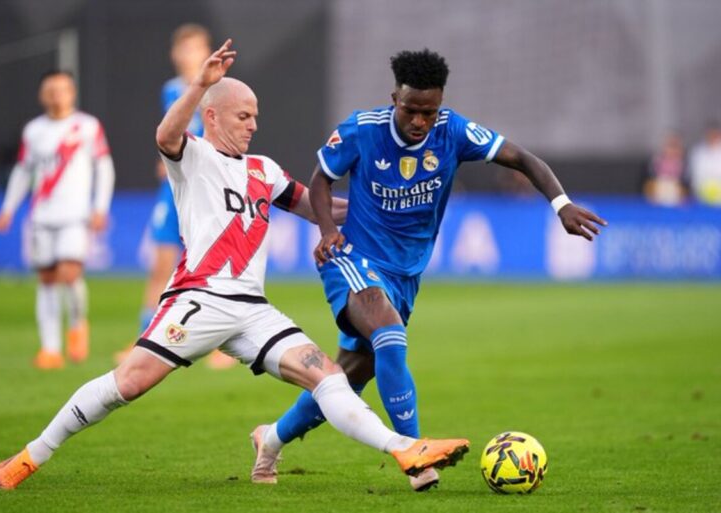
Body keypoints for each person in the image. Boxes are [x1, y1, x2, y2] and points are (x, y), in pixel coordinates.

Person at [0, 40, 471, 491]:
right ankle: (30, 455)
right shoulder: (191, 157)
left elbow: (321, 207)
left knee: (329, 377)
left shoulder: (264, 170)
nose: (253, 124)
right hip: (198, 300)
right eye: (244, 115)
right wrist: (198, 84)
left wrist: (389, 203)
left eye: (256, 116)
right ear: (212, 117)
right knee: (127, 384)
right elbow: (166, 133)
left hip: (253, 311)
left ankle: (405, 449)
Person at [250, 49, 607, 492]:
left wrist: (562, 204)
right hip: (351, 256)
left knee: (348, 378)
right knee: (389, 334)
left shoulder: (454, 131)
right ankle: (416, 454)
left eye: (429, 111)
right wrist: (326, 231)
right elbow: (321, 179)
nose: (419, 121)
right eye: (410, 110)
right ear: (394, 98)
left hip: (405, 273)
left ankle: (271, 439)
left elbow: (523, 159)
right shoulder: (362, 130)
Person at [120, 23, 236, 369]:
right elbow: (171, 129)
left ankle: (220, 346)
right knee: (161, 265)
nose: (190, 57)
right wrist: (165, 159)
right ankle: (144, 341)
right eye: (184, 50)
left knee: (209, 268)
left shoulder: (221, 90)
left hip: (206, 191)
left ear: (207, 52)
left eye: (196, 49)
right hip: (172, 190)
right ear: (175, 55)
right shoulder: (170, 90)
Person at [0, 70, 115, 369]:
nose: (56, 95)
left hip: (75, 215)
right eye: (50, 89)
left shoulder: (86, 127)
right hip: (41, 215)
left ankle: (77, 324)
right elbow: (24, 170)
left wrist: (100, 207)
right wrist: (8, 207)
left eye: (62, 89)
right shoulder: (33, 131)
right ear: (41, 94)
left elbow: (104, 167)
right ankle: (50, 349)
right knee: (47, 279)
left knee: (69, 274)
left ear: (72, 92)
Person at [643, 132, 687, 206]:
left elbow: (683, 181)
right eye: (669, 146)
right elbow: (652, 177)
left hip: (674, 188)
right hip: (660, 186)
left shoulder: (682, 162)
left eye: (674, 146)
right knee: (650, 185)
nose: (671, 150)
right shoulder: (657, 160)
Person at [688, 121, 721, 206]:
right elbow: (695, 176)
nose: (712, 137)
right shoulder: (698, 152)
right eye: (710, 134)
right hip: (701, 198)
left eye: (715, 134)